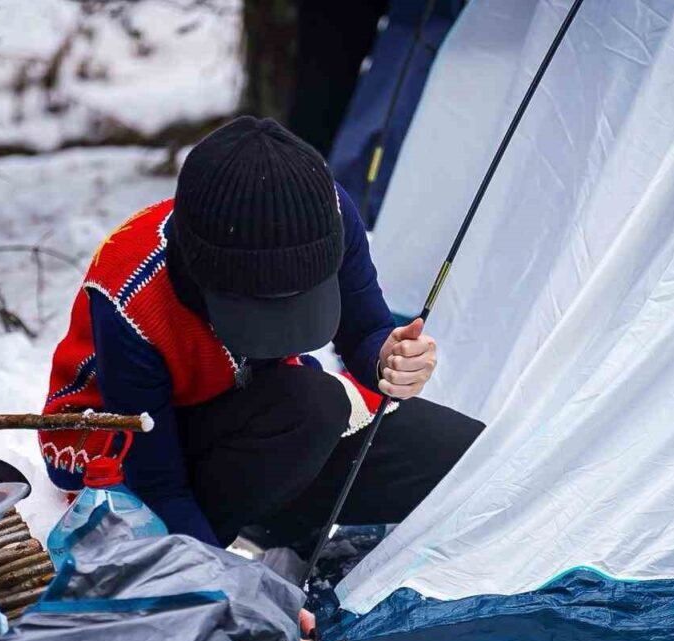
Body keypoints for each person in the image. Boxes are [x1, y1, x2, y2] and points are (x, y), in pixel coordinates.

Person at [40, 116, 483, 555]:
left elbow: (365, 331)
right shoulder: (130, 295)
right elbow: (157, 482)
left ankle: (276, 522)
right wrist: (217, 577)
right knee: (313, 405)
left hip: (269, 423)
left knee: (469, 458)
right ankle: (236, 529)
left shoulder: (324, 214)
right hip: (136, 449)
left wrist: (388, 360)